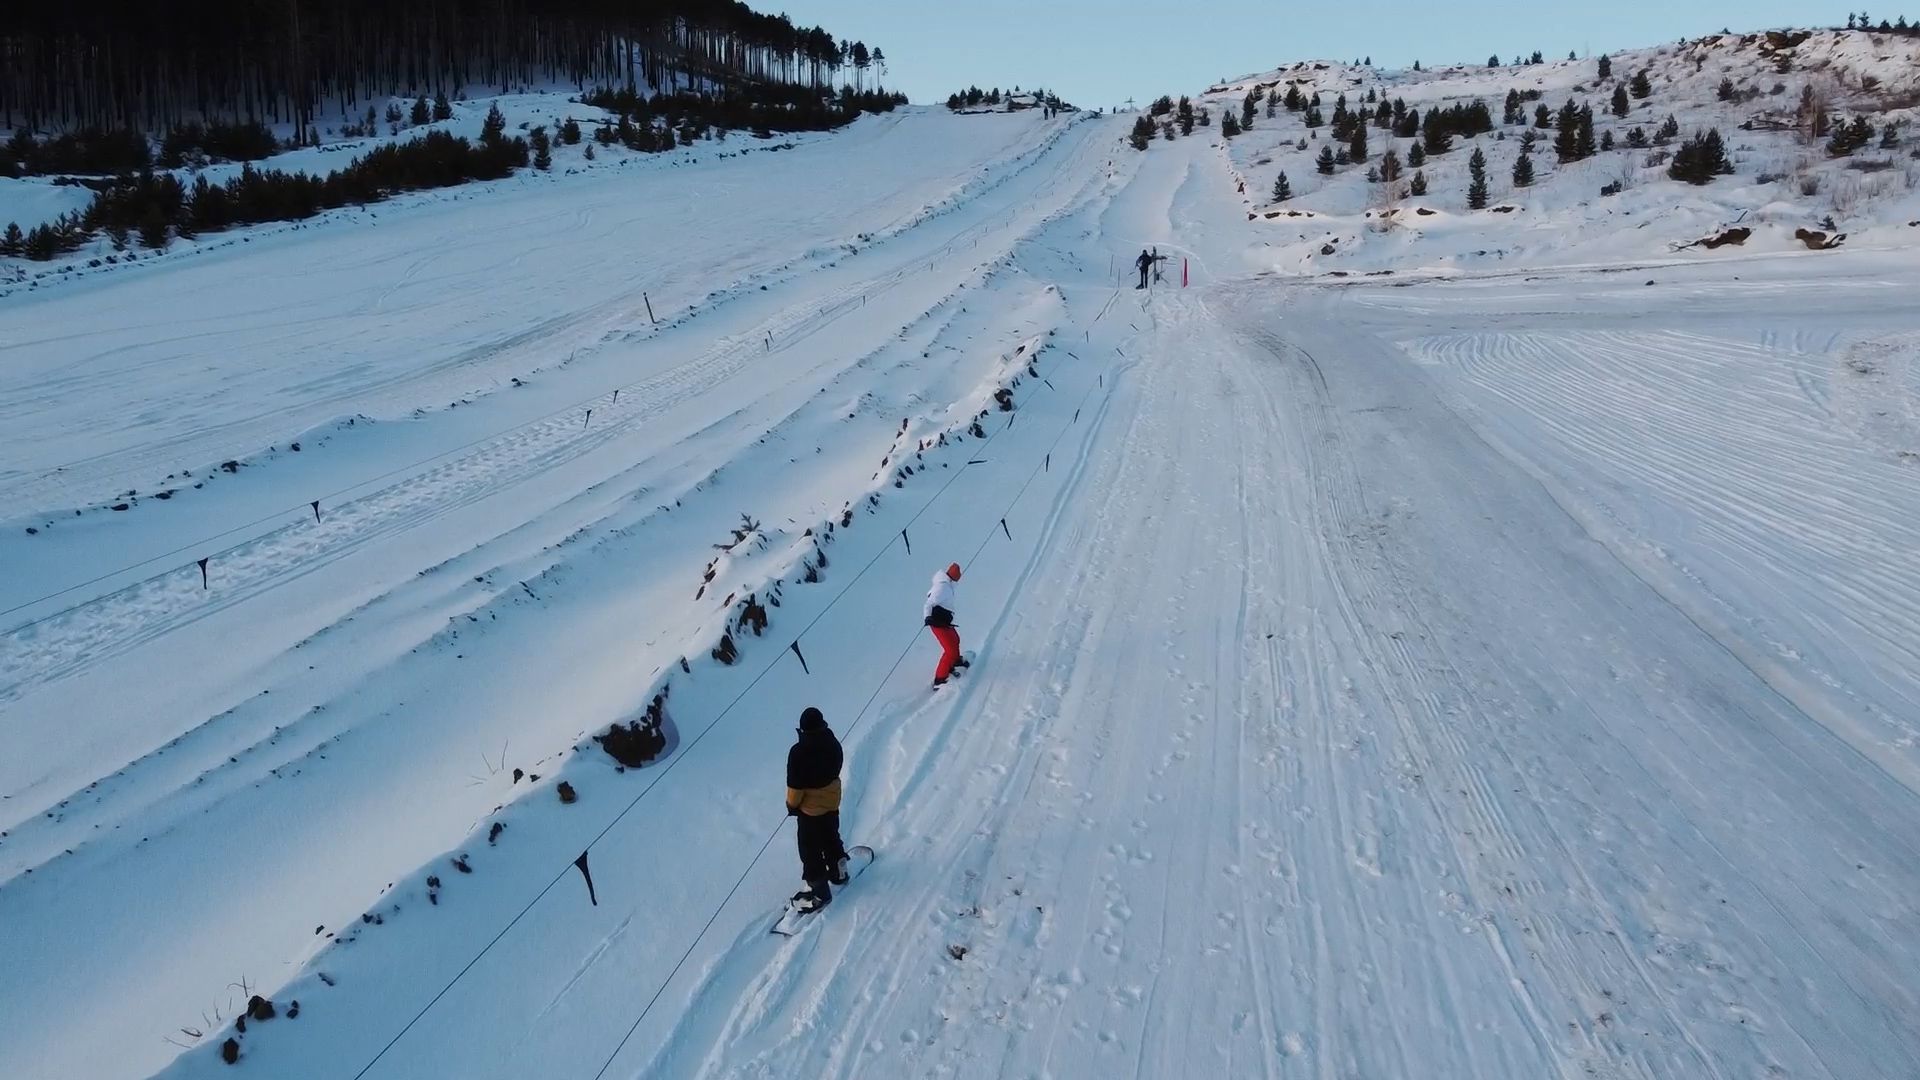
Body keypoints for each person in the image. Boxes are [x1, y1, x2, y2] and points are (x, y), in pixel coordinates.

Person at [786, 707, 849, 912]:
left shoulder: (798, 753)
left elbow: (795, 788)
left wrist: (792, 806)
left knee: (810, 850)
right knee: (831, 836)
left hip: (810, 811)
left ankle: (820, 893)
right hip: (832, 802)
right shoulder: (832, 742)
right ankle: (839, 873)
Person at [924, 562, 969, 687]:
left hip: (944, 621)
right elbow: (928, 604)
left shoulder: (947, 584)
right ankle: (940, 678)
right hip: (937, 623)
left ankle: (955, 661)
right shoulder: (942, 588)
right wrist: (927, 617)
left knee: (955, 639)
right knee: (949, 649)